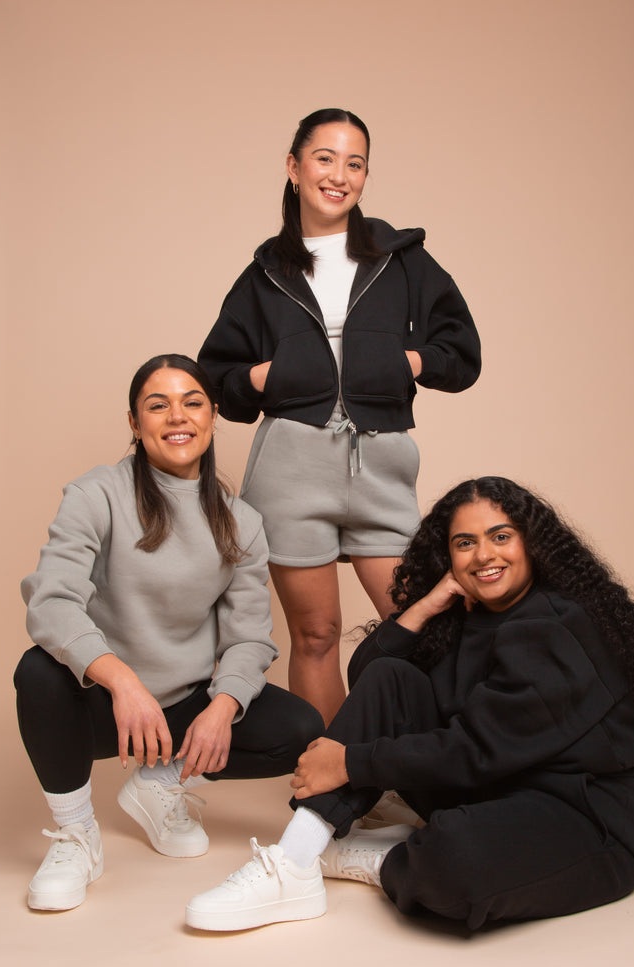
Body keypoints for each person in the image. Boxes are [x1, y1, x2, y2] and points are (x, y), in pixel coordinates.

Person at [184, 476, 634, 932]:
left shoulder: (554, 625)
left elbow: (479, 749)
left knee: (455, 865)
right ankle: (295, 861)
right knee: (391, 676)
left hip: (581, 812)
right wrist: (428, 602)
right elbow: (369, 678)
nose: (483, 555)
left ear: (532, 543)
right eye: (464, 544)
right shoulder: (466, 613)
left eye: (501, 536)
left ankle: (381, 856)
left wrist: (351, 763)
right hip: (492, 787)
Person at [197, 108, 481, 725]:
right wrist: (261, 377)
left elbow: (461, 355)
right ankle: (327, 789)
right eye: (325, 158)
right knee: (318, 636)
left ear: (365, 176)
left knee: (424, 629)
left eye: (355, 163)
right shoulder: (264, 274)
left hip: (381, 464)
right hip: (291, 468)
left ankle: (429, 767)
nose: (339, 174)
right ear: (295, 168)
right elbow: (217, 377)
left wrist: (408, 361)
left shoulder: (401, 259)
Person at [15, 354, 323, 912]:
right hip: (108, 706)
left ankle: (161, 783)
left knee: (299, 726)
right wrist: (122, 682)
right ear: (135, 424)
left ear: (211, 417)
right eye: (157, 405)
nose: (177, 417)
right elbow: (51, 600)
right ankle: (76, 837)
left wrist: (223, 706)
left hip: (182, 707)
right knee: (36, 672)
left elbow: (250, 638)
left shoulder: (242, 522)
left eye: (192, 402)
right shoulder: (95, 495)